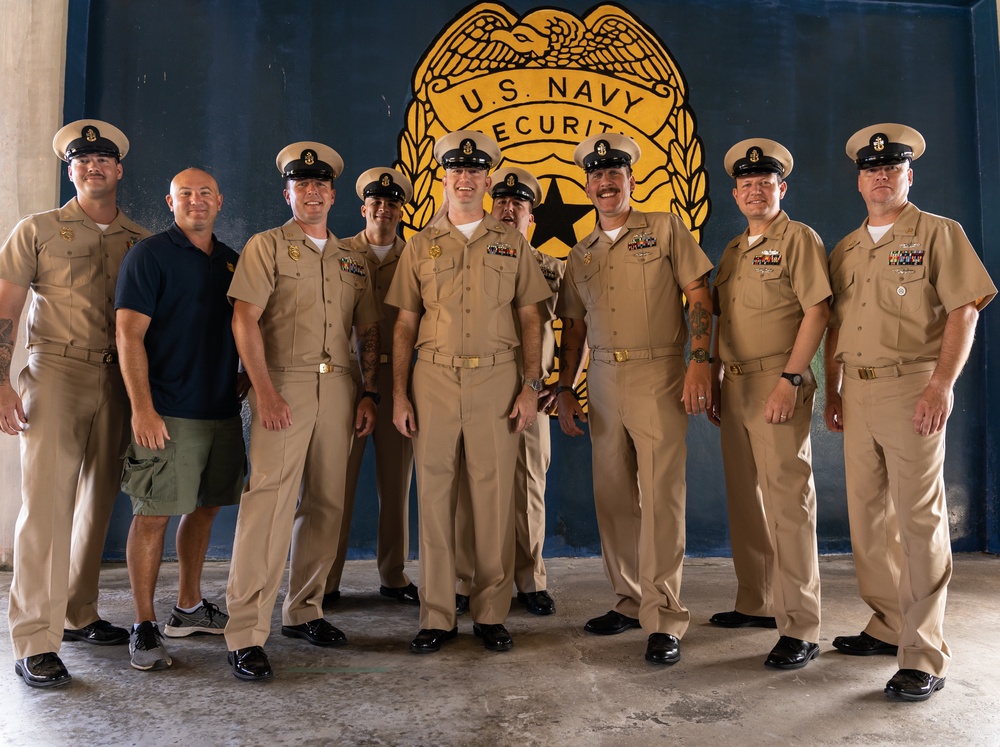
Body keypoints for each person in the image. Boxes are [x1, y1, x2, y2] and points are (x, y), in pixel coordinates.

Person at [825, 123, 995, 702]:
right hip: (858, 390)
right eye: (872, 170)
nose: (880, 176)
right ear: (859, 180)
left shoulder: (938, 234)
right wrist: (834, 388)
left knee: (918, 519)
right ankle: (886, 624)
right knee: (868, 517)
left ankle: (923, 652)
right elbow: (835, 325)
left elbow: (965, 311)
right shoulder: (847, 247)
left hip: (912, 387)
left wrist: (941, 384)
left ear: (908, 176)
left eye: (891, 168)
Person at [386, 130, 550, 654]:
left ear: (485, 180)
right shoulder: (420, 245)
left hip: (497, 380)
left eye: (474, 172)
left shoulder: (512, 243)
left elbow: (530, 319)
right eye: (456, 171)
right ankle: (437, 615)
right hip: (432, 378)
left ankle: (490, 612)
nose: (465, 179)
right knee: (433, 497)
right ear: (445, 178)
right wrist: (399, 394)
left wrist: (529, 386)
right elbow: (405, 325)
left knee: (494, 498)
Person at [0, 120, 150, 689]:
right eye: (83, 160)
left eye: (104, 159)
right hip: (55, 374)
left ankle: (78, 612)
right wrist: (1, 382)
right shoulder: (37, 229)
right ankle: (36, 639)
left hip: (119, 379)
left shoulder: (139, 239)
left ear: (119, 169)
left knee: (98, 502)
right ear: (71, 170)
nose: (94, 167)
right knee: (45, 507)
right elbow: (5, 311)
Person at [224, 142, 381, 681]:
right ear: (287, 192)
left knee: (327, 504)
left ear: (333, 195)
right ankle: (245, 631)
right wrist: (264, 392)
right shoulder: (266, 246)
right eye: (301, 185)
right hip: (284, 386)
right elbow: (245, 320)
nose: (311, 193)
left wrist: (370, 393)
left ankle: (305, 609)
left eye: (320, 186)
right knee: (267, 506)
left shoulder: (351, 259)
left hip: (341, 387)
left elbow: (368, 332)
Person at [555, 133, 713, 666]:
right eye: (596, 176)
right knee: (614, 495)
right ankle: (628, 598)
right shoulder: (580, 255)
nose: (605, 182)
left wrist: (699, 360)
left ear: (630, 180)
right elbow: (573, 329)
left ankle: (664, 615)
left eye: (614, 174)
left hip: (660, 373)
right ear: (587, 187)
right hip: (601, 380)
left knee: (661, 495)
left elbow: (698, 296)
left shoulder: (665, 229)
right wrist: (564, 388)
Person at [115, 168, 246, 671]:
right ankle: (143, 625)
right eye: (186, 193)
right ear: (169, 201)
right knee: (153, 514)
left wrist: (246, 378)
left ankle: (187, 607)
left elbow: (247, 328)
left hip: (221, 411)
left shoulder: (232, 261)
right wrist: (142, 409)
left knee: (208, 506)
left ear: (220, 201)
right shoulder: (148, 256)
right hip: (167, 413)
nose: (196, 200)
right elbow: (128, 336)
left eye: (205, 193)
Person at [707, 139, 830, 670]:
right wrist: (712, 373)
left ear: (782, 188)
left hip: (776, 382)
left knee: (787, 502)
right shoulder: (734, 252)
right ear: (735, 194)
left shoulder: (798, 239)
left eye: (766, 182)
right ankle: (756, 601)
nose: (756, 190)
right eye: (747, 184)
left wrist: (791, 377)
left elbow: (818, 311)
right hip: (734, 385)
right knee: (745, 498)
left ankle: (800, 624)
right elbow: (723, 322)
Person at [455, 166, 564, 617]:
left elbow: (583, 327)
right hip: (476, 386)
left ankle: (530, 579)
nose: (507, 208)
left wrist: (566, 384)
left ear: (530, 219)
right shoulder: (465, 258)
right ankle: (465, 580)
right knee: (468, 486)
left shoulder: (553, 269)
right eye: (500, 201)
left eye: (518, 204)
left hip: (531, 391)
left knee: (528, 486)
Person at [324, 167, 418, 606]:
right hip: (348, 381)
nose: (384, 209)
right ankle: (323, 579)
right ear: (363, 208)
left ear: (402, 210)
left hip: (401, 381)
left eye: (393, 203)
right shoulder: (338, 252)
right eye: (376, 202)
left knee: (396, 484)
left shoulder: (418, 255)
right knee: (332, 484)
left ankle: (393, 575)